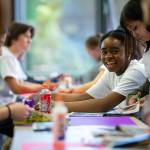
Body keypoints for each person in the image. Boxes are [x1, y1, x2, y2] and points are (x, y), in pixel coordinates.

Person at [52, 28, 146, 113]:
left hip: (139, 124)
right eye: (104, 52)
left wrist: (55, 106)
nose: (108, 56)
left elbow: (103, 105)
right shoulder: (111, 72)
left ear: (129, 51)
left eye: (115, 51)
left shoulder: (135, 71)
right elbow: (85, 97)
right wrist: (49, 96)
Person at [0, 22, 55, 96]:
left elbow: (22, 82)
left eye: (30, 38)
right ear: (14, 37)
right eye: (26, 36)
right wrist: (46, 87)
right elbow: (17, 88)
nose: (30, 41)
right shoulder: (7, 56)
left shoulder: (12, 58)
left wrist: (47, 86)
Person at [120, 0, 150, 125]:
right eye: (131, 31)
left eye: (135, 28)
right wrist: (138, 93)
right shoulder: (147, 52)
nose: (134, 35)